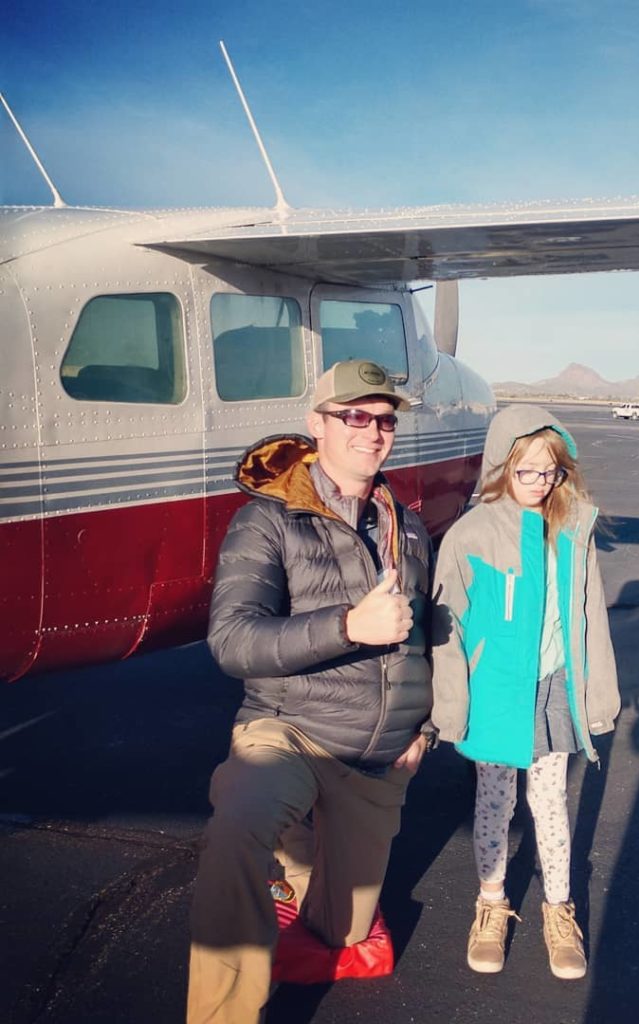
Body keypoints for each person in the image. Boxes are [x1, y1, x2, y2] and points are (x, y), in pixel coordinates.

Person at [188, 360, 435, 1024]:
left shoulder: (406, 525)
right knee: (239, 826)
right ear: (316, 425)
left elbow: (430, 636)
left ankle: (299, 868)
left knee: (344, 933)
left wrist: (427, 727)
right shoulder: (266, 521)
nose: (372, 431)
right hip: (288, 730)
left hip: (376, 755)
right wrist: (347, 627)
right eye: (353, 415)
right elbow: (233, 640)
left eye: (383, 419)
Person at [432, 405, 621, 981]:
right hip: (496, 691)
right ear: (501, 468)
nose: (541, 484)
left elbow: (590, 618)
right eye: (528, 472)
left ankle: (558, 910)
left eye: (551, 473)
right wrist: (452, 705)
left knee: (550, 802)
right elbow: (448, 626)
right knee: (495, 801)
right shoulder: (471, 534)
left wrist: (597, 695)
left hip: (555, 688)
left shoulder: (573, 528)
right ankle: (491, 903)